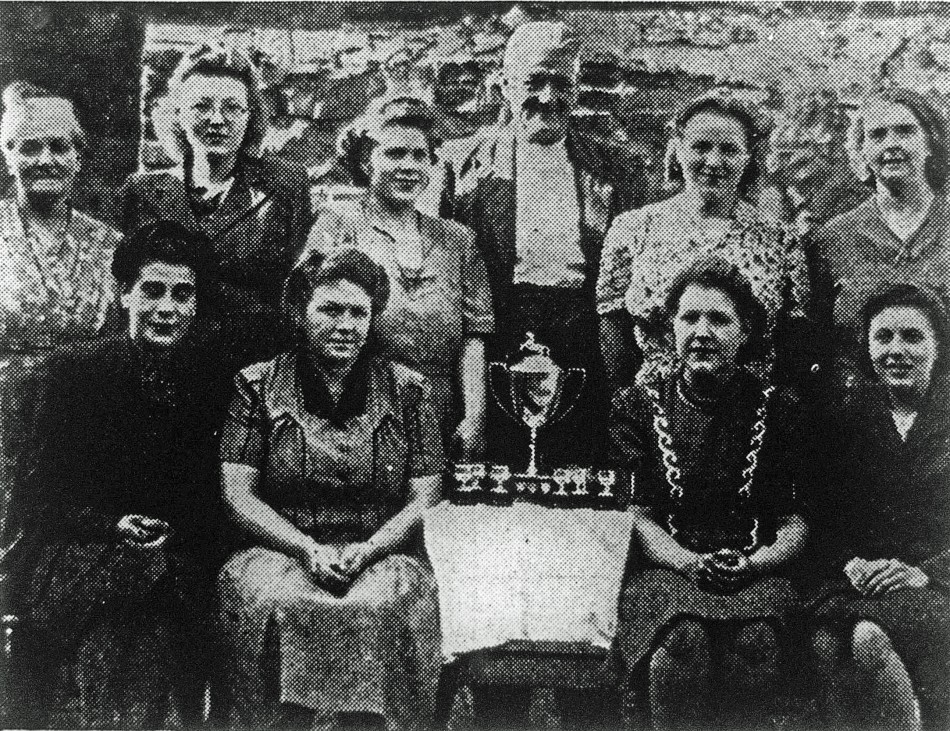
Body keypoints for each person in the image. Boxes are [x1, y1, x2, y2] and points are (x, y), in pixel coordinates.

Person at [7, 220, 230, 728]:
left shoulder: (213, 379)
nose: (167, 308)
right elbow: (38, 501)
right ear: (123, 293)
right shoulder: (70, 374)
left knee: (163, 598)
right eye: (152, 291)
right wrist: (112, 525)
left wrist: (177, 530)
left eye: (183, 294)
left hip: (175, 554)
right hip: (77, 551)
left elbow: (215, 492)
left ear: (197, 304)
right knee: (133, 603)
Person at [217, 248, 443, 730]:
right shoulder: (255, 386)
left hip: (379, 551)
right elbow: (238, 492)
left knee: (384, 601)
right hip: (280, 549)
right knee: (272, 599)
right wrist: (304, 547)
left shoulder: (409, 389)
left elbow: (426, 494)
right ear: (301, 312)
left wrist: (371, 548)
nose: (345, 325)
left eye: (358, 313)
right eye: (330, 310)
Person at [609, 256, 809, 730]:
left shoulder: (778, 408)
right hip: (667, 568)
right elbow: (636, 516)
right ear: (670, 329)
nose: (701, 331)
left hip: (758, 568)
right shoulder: (638, 406)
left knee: (757, 641)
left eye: (719, 319)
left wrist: (757, 563)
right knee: (682, 642)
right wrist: (685, 561)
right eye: (689, 318)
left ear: (745, 334)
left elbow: (794, 521)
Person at [443, 20, 648, 468]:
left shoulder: (615, 168)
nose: (549, 98)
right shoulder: (459, 166)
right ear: (505, 86)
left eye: (562, 83)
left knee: (579, 474)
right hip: (497, 334)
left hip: (585, 339)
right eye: (535, 81)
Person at [304, 96, 494, 458]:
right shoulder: (338, 228)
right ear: (365, 159)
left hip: (442, 413)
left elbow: (474, 337)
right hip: (361, 410)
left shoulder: (458, 240)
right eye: (394, 154)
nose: (408, 166)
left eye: (419, 156)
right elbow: (313, 325)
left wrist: (474, 418)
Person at [597, 87, 813, 392]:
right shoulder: (633, 228)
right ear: (678, 149)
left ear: (748, 157)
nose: (713, 161)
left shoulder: (780, 240)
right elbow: (613, 329)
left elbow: (793, 343)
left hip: (751, 416)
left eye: (729, 149)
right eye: (701, 146)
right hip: (654, 411)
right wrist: (628, 407)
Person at [805, 283, 950, 731]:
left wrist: (925, 572)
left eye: (912, 337)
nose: (896, 350)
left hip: (937, 582)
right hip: (865, 584)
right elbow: (824, 518)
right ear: (866, 347)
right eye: (883, 337)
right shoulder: (848, 418)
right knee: (824, 642)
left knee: (868, 636)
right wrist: (849, 564)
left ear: (938, 346)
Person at [119, 43, 313, 367]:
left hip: (255, 365)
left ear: (250, 116)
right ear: (179, 114)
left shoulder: (285, 185)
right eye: (202, 106)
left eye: (232, 107)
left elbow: (297, 289)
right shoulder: (143, 192)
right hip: (167, 365)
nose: (217, 119)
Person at [0, 82, 119, 562]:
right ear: (7, 155)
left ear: (78, 155)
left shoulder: (109, 244)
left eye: (59, 146)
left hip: (78, 425)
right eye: (30, 147)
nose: (46, 159)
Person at [809, 88, 950, 378]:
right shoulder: (832, 239)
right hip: (856, 411)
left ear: (930, 142)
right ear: (862, 150)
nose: (891, 144)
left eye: (905, 131)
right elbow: (814, 345)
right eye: (877, 135)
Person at [758, 90, 868, 237]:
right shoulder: (776, 195)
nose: (774, 165)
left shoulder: (854, 200)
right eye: (775, 152)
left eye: (787, 154)